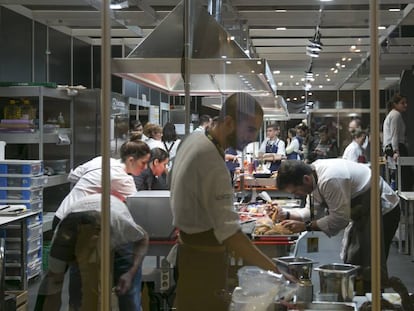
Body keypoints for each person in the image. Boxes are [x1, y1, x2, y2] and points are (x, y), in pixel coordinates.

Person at [170, 92, 278, 311]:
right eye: (250, 129)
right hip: (203, 262)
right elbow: (230, 234)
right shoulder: (210, 158)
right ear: (228, 122)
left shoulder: (194, 138)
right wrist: (275, 271)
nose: (253, 137)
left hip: (189, 254)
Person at [49, 140, 150, 310]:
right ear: (131, 160)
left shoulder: (103, 160)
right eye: (144, 163)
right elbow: (138, 204)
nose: (145, 168)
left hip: (62, 215)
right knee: (81, 270)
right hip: (82, 220)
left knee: (75, 274)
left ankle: (78, 305)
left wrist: (92, 189)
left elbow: (72, 175)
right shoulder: (124, 180)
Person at [275, 159, 400, 293]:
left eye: (295, 191)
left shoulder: (330, 179)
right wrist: (286, 214)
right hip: (361, 213)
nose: (296, 195)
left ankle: (374, 301)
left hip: (381, 211)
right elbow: (310, 211)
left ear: (305, 179)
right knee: (356, 259)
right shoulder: (313, 176)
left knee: (371, 264)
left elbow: (339, 219)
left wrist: (306, 226)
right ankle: (362, 297)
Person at [35, 194, 149, 311]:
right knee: (78, 299)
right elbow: (54, 286)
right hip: (81, 230)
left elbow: (143, 239)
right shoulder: (62, 244)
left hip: (117, 237)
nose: (91, 259)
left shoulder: (120, 225)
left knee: (129, 298)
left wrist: (130, 273)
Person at [383, 94, 411, 190]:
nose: (405, 105)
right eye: (402, 103)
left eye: (406, 103)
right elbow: (394, 134)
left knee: (399, 176)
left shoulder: (391, 114)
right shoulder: (396, 115)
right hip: (396, 147)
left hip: (391, 147)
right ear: (395, 104)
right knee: (404, 176)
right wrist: (396, 151)